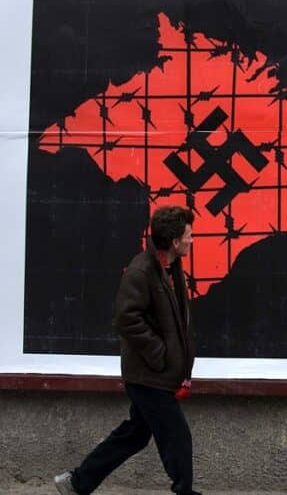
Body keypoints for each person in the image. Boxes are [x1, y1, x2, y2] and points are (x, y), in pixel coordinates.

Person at [55, 205, 199, 494]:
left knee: (134, 435)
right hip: (148, 375)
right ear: (174, 241)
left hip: (156, 373)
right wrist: (159, 354)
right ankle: (184, 491)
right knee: (177, 436)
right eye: (188, 235)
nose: (191, 240)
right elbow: (126, 319)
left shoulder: (170, 269)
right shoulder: (141, 271)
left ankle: (76, 483)